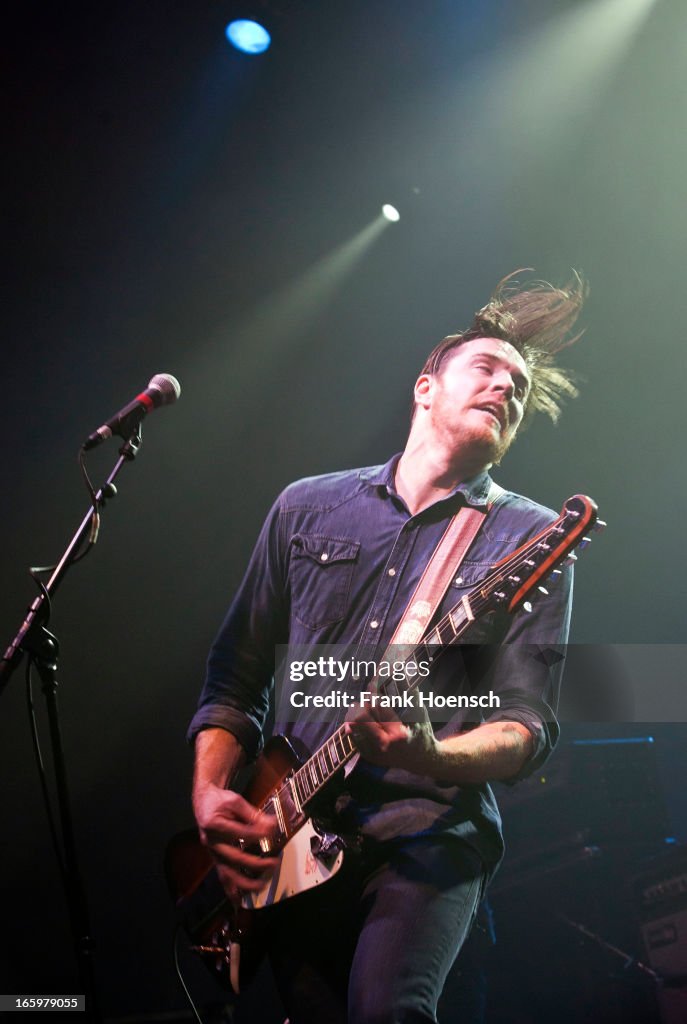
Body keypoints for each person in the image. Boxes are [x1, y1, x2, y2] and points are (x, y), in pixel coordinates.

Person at [188, 271, 587, 1024]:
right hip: (295, 839)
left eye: (520, 387)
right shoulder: (305, 507)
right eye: (487, 369)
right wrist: (210, 793)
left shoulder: (530, 537)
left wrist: (429, 754)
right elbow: (234, 677)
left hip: (426, 829)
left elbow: (526, 726)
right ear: (424, 389)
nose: (507, 388)